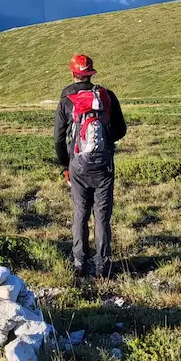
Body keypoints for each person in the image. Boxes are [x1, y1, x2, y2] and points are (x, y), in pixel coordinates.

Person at [54, 54, 126, 280]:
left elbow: (58, 139)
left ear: (73, 73)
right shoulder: (106, 96)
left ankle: (79, 263)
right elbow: (121, 129)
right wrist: (105, 145)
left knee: (80, 214)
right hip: (104, 166)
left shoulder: (67, 99)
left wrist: (66, 165)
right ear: (92, 72)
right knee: (102, 217)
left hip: (78, 166)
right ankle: (102, 267)